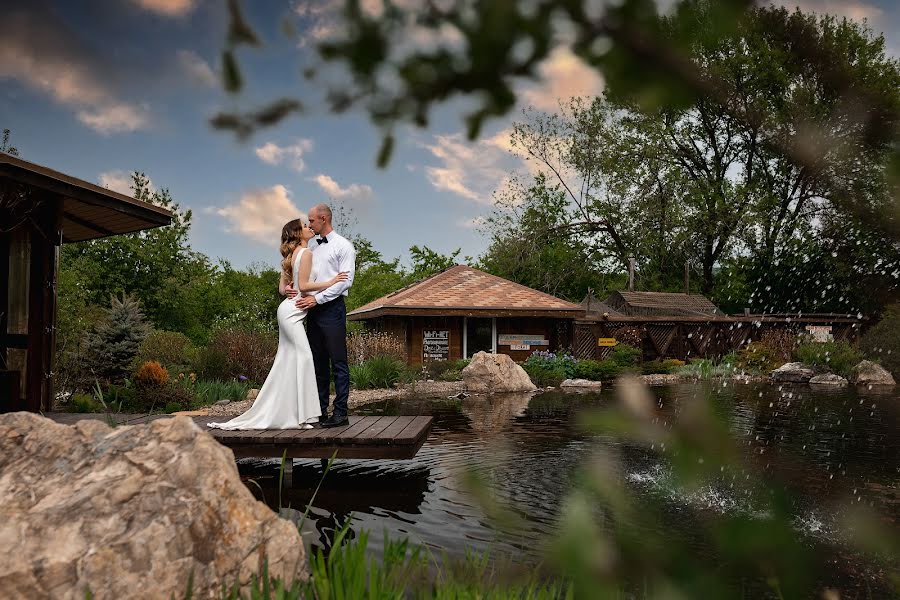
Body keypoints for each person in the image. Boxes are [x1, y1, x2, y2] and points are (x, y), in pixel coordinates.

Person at [208, 219, 347, 430]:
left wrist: (288, 290)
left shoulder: (293, 255)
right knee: (306, 359)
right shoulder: (306, 253)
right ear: (298, 233)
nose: (309, 227)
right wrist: (332, 282)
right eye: (304, 226)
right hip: (292, 313)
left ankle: (295, 413)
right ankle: (305, 417)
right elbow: (304, 285)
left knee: (288, 361)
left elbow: (283, 287)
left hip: (289, 309)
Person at [289, 203, 356, 427]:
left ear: (324, 218)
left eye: (312, 221)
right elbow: (306, 279)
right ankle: (319, 410)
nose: (309, 225)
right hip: (312, 310)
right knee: (317, 363)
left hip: (332, 309)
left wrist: (317, 299)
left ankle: (341, 413)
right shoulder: (313, 249)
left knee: (338, 362)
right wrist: (293, 288)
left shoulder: (344, 246)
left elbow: (345, 281)